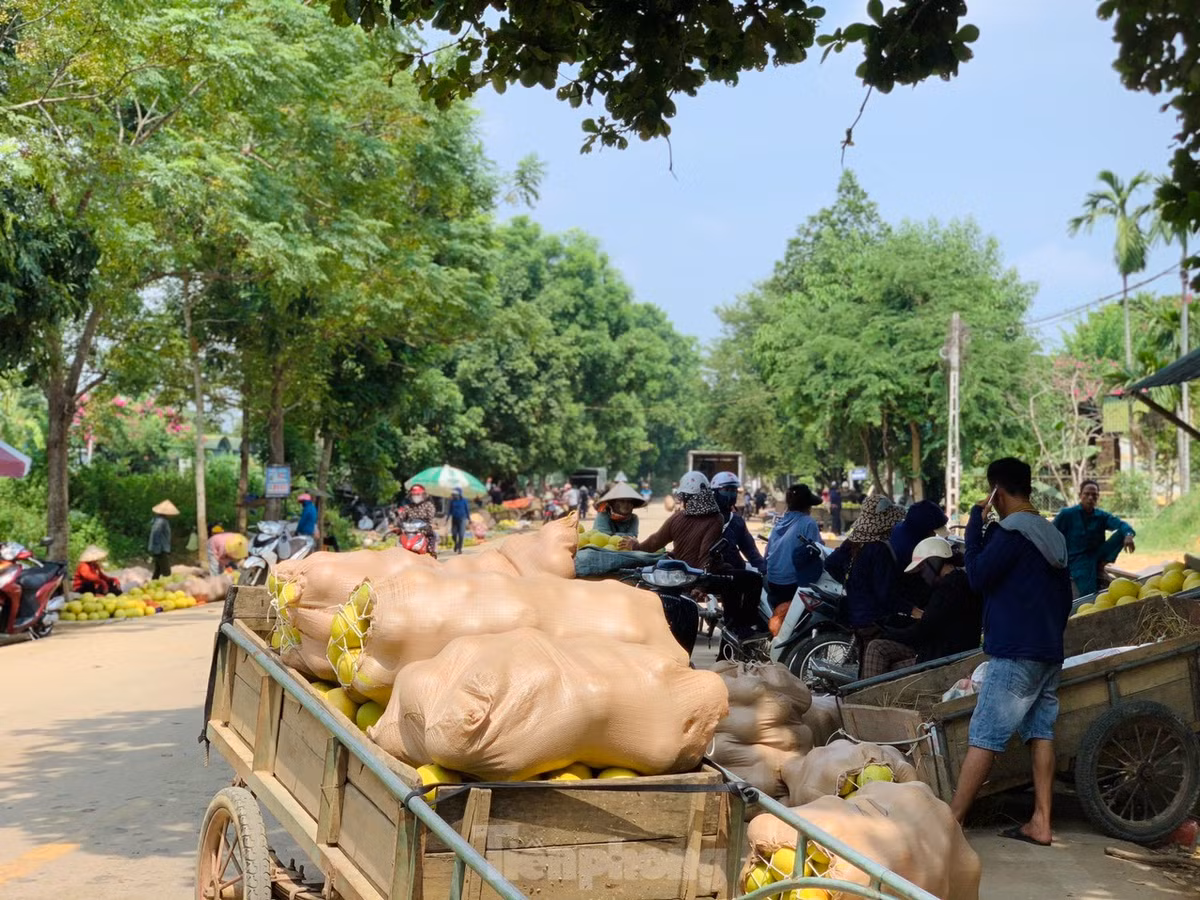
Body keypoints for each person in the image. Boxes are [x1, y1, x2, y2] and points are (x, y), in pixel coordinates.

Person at [948, 457, 1072, 846]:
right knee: (1040, 732)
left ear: (996, 493)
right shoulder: (1051, 535)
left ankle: (951, 824)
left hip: (1016, 654)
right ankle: (1041, 821)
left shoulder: (1012, 532)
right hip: (1049, 651)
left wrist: (973, 526)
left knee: (984, 734)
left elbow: (977, 577)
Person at [861, 537, 984, 678]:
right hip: (944, 653)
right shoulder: (961, 583)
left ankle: (870, 697)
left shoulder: (949, 590)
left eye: (923, 567)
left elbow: (922, 630)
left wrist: (888, 633)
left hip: (940, 659)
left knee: (879, 652)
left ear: (934, 561)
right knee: (881, 653)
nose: (922, 574)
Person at [825, 494, 906, 666]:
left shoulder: (853, 541)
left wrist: (852, 583)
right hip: (875, 619)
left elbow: (831, 563)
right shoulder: (879, 549)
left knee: (864, 659)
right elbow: (885, 593)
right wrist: (910, 609)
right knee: (873, 664)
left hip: (855, 613)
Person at [1053, 479, 1136, 597]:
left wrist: (1128, 535)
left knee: (1123, 533)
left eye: (1094, 495)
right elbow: (1050, 533)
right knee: (1089, 594)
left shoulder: (1101, 515)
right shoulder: (1067, 514)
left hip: (1098, 554)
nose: (1090, 498)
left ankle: (1101, 564)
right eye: (1087, 494)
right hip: (1077, 559)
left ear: (1098, 497)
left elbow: (1121, 524)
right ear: (1080, 495)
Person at [710, 471, 767, 637]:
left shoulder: (736, 520)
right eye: (727, 489)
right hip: (713, 571)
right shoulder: (707, 518)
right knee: (750, 583)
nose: (732, 494)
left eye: (734, 490)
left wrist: (765, 568)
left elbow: (749, 549)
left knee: (747, 583)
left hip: (732, 571)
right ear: (714, 491)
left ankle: (731, 642)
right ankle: (744, 626)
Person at [632, 471, 724, 568]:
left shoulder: (677, 517)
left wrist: (636, 547)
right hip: (698, 576)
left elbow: (655, 542)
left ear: (685, 496)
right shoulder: (716, 519)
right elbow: (706, 556)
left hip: (678, 573)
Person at [764, 484, 824, 610]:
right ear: (808, 506)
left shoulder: (780, 522)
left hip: (772, 580)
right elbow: (819, 551)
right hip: (791, 584)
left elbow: (766, 554)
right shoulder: (808, 522)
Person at [148, 499, 178, 578]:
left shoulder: (159, 520)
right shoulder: (161, 521)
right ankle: (166, 587)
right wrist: (157, 549)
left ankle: (153, 583)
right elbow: (156, 534)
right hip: (160, 549)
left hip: (160, 548)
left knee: (158, 570)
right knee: (166, 572)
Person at [445, 487, 471, 554]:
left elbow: (467, 509)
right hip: (454, 519)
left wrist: (469, 519)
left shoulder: (464, 500)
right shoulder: (451, 501)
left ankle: (460, 548)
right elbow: (449, 510)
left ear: (459, 494)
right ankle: (456, 543)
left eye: (456, 494)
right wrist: (447, 519)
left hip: (462, 519)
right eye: (453, 494)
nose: (454, 495)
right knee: (453, 534)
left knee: (461, 535)